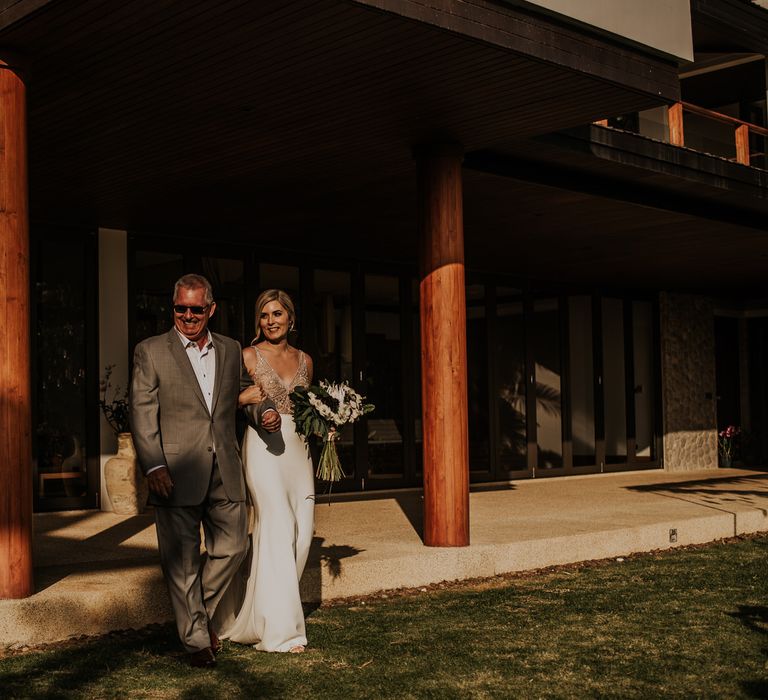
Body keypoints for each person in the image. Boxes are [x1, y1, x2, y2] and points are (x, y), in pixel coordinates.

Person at [129, 273, 280, 668]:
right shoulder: (150, 351)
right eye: (181, 308)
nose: (189, 316)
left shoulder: (230, 350)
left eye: (197, 309)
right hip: (174, 470)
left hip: (224, 466)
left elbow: (243, 396)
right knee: (180, 561)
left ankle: (192, 618)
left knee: (234, 547)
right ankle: (197, 641)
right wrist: (154, 464)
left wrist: (262, 412)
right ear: (173, 307)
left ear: (211, 309)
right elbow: (142, 414)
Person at [222, 288, 315, 653]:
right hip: (262, 449)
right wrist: (253, 408)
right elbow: (221, 401)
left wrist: (328, 422)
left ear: (291, 319)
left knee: (302, 533)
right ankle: (282, 632)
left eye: (277, 314)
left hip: (299, 450)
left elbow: (310, 407)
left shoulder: (306, 360)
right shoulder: (247, 356)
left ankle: (265, 615)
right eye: (264, 315)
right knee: (277, 526)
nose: (271, 321)